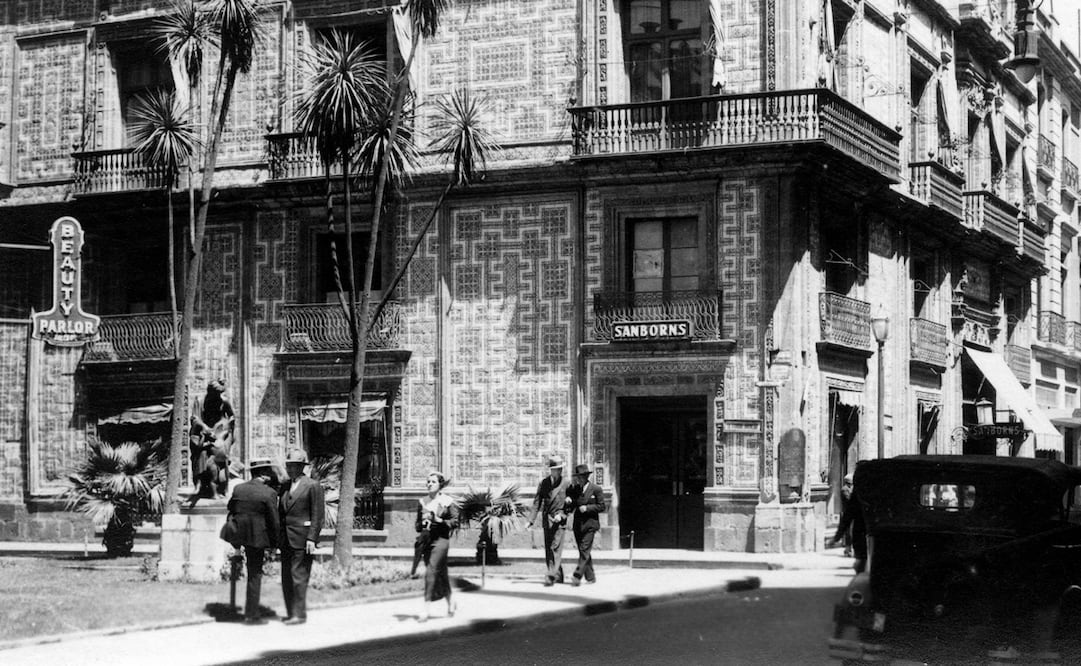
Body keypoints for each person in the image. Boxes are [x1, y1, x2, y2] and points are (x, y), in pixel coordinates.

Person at [225, 457, 280, 624]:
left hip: (240, 536)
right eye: (268, 471)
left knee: (250, 572)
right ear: (262, 474)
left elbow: (231, 508)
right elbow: (274, 521)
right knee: (255, 574)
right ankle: (252, 613)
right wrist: (275, 544)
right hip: (258, 538)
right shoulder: (269, 493)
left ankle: (248, 610)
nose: (271, 474)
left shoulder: (239, 489)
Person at [279, 449, 324, 625]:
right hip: (286, 539)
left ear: (302, 467)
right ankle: (291, 613)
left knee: (299, 577)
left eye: (294, 466)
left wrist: (312, 538)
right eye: (288, 466)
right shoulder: (285, 485)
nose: (290, 469)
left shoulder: (312, 486)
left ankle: (299, 614)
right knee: (287, 577)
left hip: (302, 539)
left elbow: (317, 515)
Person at [418, 471, 458, 621]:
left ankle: (425, 609)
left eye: (433, 482)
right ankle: (451, 602)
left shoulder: (447, 501)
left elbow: (455, 522)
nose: (429, 484)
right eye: (428, 482)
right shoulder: (423, 502)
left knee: (431, 571)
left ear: (440, 485)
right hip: (428, 541)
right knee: (441, 573)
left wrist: (439, 520)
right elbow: (417, 525)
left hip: (441, 540)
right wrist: (422, 524)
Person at [527, 455, 571, 586]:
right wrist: (530, 520)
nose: (559, 471)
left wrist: (562, 515)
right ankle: (558, 575)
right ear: (551, 470)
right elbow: (537, 502)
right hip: (547, 520)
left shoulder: (566, 483)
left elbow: (571, 504)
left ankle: (551, 576)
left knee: (555, 548)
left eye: (561, 469)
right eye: (557, 469)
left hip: (559, 521)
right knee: (549, 549)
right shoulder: (544, 483)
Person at [189, 379, 236, 499]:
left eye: (219, 394)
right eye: (215, 394)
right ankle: (199, 482)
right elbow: (195, 418)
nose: (217, 397)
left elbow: (231, 416)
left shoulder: (223, 401)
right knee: (201, 452)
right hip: (204, 432)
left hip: (221, 432)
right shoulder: (200, 401)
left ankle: (223, 486)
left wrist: (226, 425)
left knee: (221, 454)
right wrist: (205, 428)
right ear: (209, 392)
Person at [566, 463, 605, 586]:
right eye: (578, 477)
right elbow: (571, 505)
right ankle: (591, 577)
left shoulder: (596, 489)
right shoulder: (575, 489)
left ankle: (577, 575)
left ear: (587, 477)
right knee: (583, 551)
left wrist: (587, 508)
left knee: (584, 549)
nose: (579, 479)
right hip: (578, 525)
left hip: (590, 525)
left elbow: (602, 506)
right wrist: (569, 501)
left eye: (582, 477)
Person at [831, 476, 866, 573]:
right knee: (848, 533)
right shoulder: (845, 490)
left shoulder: (854, 490)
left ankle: (849, 550)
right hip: (848, 513)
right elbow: (849, 501)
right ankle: (848, 549)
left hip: (854, 520)